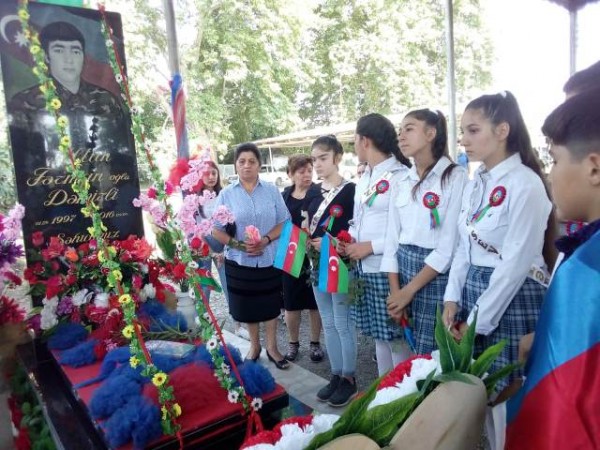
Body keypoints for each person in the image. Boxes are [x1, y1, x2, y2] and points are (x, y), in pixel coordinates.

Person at [504, 88, 600, 450]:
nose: (551, 174)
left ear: (593, 167)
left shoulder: (586, 272)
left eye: (555, 160)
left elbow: (560, 413)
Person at [442, 91, 552, 394]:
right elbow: (463, 245)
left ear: (502, 130)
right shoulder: (477, 181)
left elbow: (514, 265)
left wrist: (477, 322)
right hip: (476, 294)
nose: (464, 139)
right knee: (482, 396)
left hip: (511, 296)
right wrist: (452, 297)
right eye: (463, 131)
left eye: (473, 130)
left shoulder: (525, 183)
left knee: (507, 402)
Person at [383, 109, 467, 357]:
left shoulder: (455, 177)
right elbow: (391, 240)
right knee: (408, 352)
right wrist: (396, 292)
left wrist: (408, 292)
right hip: (403, 270)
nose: (401, 136)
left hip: (434, 277)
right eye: (400, 131)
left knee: (431, 356)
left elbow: (448, 247)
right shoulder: (401, 179)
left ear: (431, 133)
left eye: (409, 129)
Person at [341, 113, 412, 376]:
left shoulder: (400, 175)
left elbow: (405, 229)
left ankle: (404, 401)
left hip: (387, 269)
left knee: (396, 339)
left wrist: (371, 246)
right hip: (365, 267)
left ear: (365, 140)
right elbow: (360, 218)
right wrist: (348, 239)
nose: (354, 146)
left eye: (355, 140)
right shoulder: (367, 176)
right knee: (379, 337)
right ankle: (385, 393)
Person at [211, 143, 290, 369]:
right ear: (235, 165)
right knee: (248, 306)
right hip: (239, 260)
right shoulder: (226, 194)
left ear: (259, 165)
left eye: (251, 161)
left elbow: (284, 222)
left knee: (271, 305)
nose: (247, 165)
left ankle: (273, 348)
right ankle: (255, 346)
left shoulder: (272, 190)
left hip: (268, 258)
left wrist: (265, 240)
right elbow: (216, 229)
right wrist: (239, 245)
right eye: (242, 161)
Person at [306, 135, 357, 407]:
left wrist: (332, 242)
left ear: (337, 157)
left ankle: (349, 378)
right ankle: (336, 374)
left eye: (323, 158)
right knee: (327, 322)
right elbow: (307, 224)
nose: (318, 164)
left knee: (342, 323)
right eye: (314, 159)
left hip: (340, 264)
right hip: (316, 264)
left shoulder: (352, 190)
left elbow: (355, 232)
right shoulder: (313, 191)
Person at [281, 154, 323, 362]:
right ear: (291, 174)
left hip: (315, 253)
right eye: (301, 171)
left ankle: (315, 343)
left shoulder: (319, 193)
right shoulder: (284, 196)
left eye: (309, 170)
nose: (307, 174)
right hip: (291, 252)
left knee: (315, 302)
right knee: (291, 302)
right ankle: (293, 342)